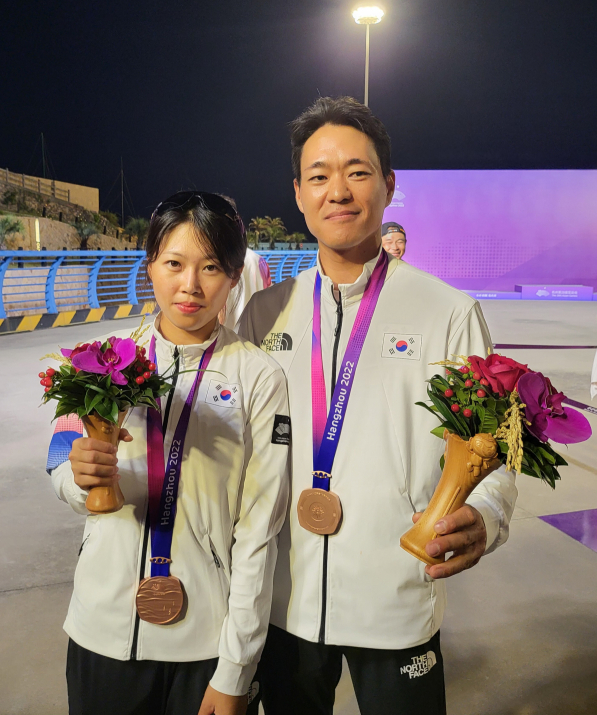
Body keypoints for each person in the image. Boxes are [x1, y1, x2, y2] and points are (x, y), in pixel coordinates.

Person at [238, 97, 517, 715]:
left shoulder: (448, 313)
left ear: (389, 185)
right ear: (299, 194)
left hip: (397, 604)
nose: (338, 190)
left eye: (358, 171)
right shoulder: (263, 313)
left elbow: (493, 452)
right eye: (319, 176)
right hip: (282, 602)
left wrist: (487, 520)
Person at [46, 191, 290, 715]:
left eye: (211, 268)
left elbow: (258, 533)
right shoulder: (99, 359)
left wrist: (236, 670)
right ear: (150, 263)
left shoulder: (257, 376)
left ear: (232, 276)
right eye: (174, 263)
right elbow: (59, 460)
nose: (191, 285)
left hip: (205, 644)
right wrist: (77, 478)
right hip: (102, 631)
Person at [218, 196, 272, 330]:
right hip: (255, 338)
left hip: (226, 343)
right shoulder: (259, 261)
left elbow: (218, 317)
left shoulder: (218, 260)